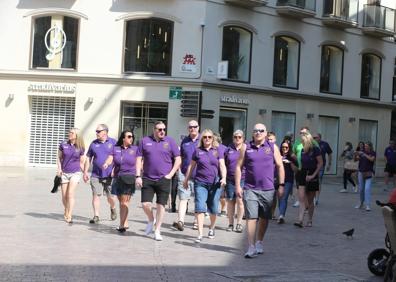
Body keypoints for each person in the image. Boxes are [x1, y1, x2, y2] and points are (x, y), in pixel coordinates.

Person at [235, 124, 285, 258]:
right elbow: (238, 167)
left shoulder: (272, 147)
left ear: (266, 133)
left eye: (261, 131)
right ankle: (250, 246)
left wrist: (281, 185)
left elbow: (280, 166)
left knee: (264, 218)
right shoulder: (246, 147)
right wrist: (238, 186)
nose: (258, 132)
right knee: (251, 217)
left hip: (268, 189)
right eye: (255, 130)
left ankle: (259, 242)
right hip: (250, 188)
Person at [135, 121, 181, 241]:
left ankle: (157, 230)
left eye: (164, 129)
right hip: (147, 178)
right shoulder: (144, 141)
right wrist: (138, 175)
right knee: (145, 204)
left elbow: (178, 159)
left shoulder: (170, 141)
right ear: (154, 130)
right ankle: (151, 219)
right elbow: (139, 158)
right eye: (159, 129)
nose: (162, 132)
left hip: (164, 179)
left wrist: (170, 175)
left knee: (161, 206)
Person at [183, 129, 227, 243]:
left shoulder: (218, 151)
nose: (207, 139)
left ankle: (212, 228)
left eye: (209, 137)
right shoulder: (197, 151)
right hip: (200, 183)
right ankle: (200, 234)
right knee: (200, 207)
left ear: (213, 139)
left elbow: (222, 165)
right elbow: (191, 166)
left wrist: (224, 178)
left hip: (215, 183)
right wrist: (186, 179)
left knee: (213, 208)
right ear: (202, 139)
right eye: (205, 137)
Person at [103, 130, 137, 232]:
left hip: (129, 177)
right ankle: (124, 221)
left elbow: (140, 161)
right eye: (129, 136)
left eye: (132, 137)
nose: (131, 138)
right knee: (121, 201)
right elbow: (110, 158)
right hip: (118, 177)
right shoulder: (116, 148)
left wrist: (140, 174)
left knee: (125, 201)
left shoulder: (135, 149)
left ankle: (122, 225)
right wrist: (106, 164)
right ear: (123, 138)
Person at [83, 124, 117, 224]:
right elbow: (89, 158)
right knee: (95, 195)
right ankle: (96, 215)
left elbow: (118, 157)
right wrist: (85, 172)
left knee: (110, 197)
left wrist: (115, 169)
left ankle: (113, 207)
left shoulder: (113, 142)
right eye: (96, 131)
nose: (96, 133)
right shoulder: (93, 143)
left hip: (109, 174)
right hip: (96, 174)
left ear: (105, 132)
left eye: (98, 131)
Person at [172, 120, 200, 231]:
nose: (192, 128)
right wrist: (179, 171)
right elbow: (180, 157)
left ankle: (196, 221)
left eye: (194, 127)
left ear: (198, 127)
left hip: (199, 175)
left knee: (199, 199)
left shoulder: (204, 139)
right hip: (185, 174)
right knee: (183, 198)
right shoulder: (184, 141)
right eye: (190, 127)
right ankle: (181, 221)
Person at [294, 130, 323, 228]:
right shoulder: (302, 150)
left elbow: (320, 163)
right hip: (302, 173)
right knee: (302, 197)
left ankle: (310, 219)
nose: (301, 142)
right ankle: (300, 220)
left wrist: (313, 175)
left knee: (310, 200)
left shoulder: (315, 149)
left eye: (302, 140)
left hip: (312, 174)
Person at [57, 128, 85, 224]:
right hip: (64, 173)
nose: (69, 134)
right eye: (69, 132)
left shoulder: (80, 147)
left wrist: (85, 173)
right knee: (64, 196)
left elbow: (81, 162)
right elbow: (59, 157)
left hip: (75, 172)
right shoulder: (63, 144)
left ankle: (69, 214)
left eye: (72, 133)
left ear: (77, 135)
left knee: (70, 194)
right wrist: (59, 169)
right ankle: (66, 210)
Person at [224, 130, 245, 233]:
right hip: (230, 179)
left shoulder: (245, 149)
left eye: (239, 137)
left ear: (243, 138)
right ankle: (231, 223)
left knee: (240, 201)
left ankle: (239, 223)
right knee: (231, 201)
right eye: (236, 137)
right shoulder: (228, 149)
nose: (237, 139)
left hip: (242, 179)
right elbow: (224, 164)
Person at [277, 139, 297, 224]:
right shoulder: (278, 155)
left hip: (288, 179)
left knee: (284, 197)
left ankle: (281, 215)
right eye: (283, 147)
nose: (284, 149)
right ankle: (280, 214)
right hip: (278, 179)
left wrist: (290, 162)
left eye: (286, 147)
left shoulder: (292, 156)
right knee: (279, 198)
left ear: (289, 148)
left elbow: (296, 170)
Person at [355, 141, 376, 211]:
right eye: (365, 146)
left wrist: (364, 154)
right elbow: (356, 159)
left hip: (369, 173)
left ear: (370, 146)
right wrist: (356, 155)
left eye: (367, 146)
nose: (365, 147)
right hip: (361, 172)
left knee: (367, 189)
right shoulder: (362, 152)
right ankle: (361, 203)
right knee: (361, 189)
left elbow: (372, 159)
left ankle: (368, 205)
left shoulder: (372, 152)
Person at [292, 126, 310, 208]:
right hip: (299, 168)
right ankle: (300, 201)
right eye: (301, 133)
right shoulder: (297, 142)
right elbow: (292, 154)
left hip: (310, 169)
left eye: (304, 133)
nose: (302, 134)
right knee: (299, 186)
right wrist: (293, 165)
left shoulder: (313, 143)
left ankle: (308, 202)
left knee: (308, 188)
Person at [312, 133, 332, 205]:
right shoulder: (312, 144)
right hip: (312, 165)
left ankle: (317, 198)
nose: (314, 138)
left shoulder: (325, 144)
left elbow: (329, 153)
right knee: (312, 180)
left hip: (321, 165)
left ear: (320, 138)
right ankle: (312, 197)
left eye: (316, 137)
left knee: (319, 181)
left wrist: (329, 164)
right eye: (313, 137)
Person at [215, 133, 228, 217]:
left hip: (222, 174)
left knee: (222, 195)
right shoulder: (209, 148)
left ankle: (223, 208)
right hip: (212, 174)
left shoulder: (224, 149)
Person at [267, 131, 278, 220]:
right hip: (265, 176)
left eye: (272, 139)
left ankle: (272, 213)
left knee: (273, 197)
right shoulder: (264, 148)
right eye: (268, 139)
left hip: (274, 176)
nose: (270, 141)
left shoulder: (276, 149)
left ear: (275, 140)